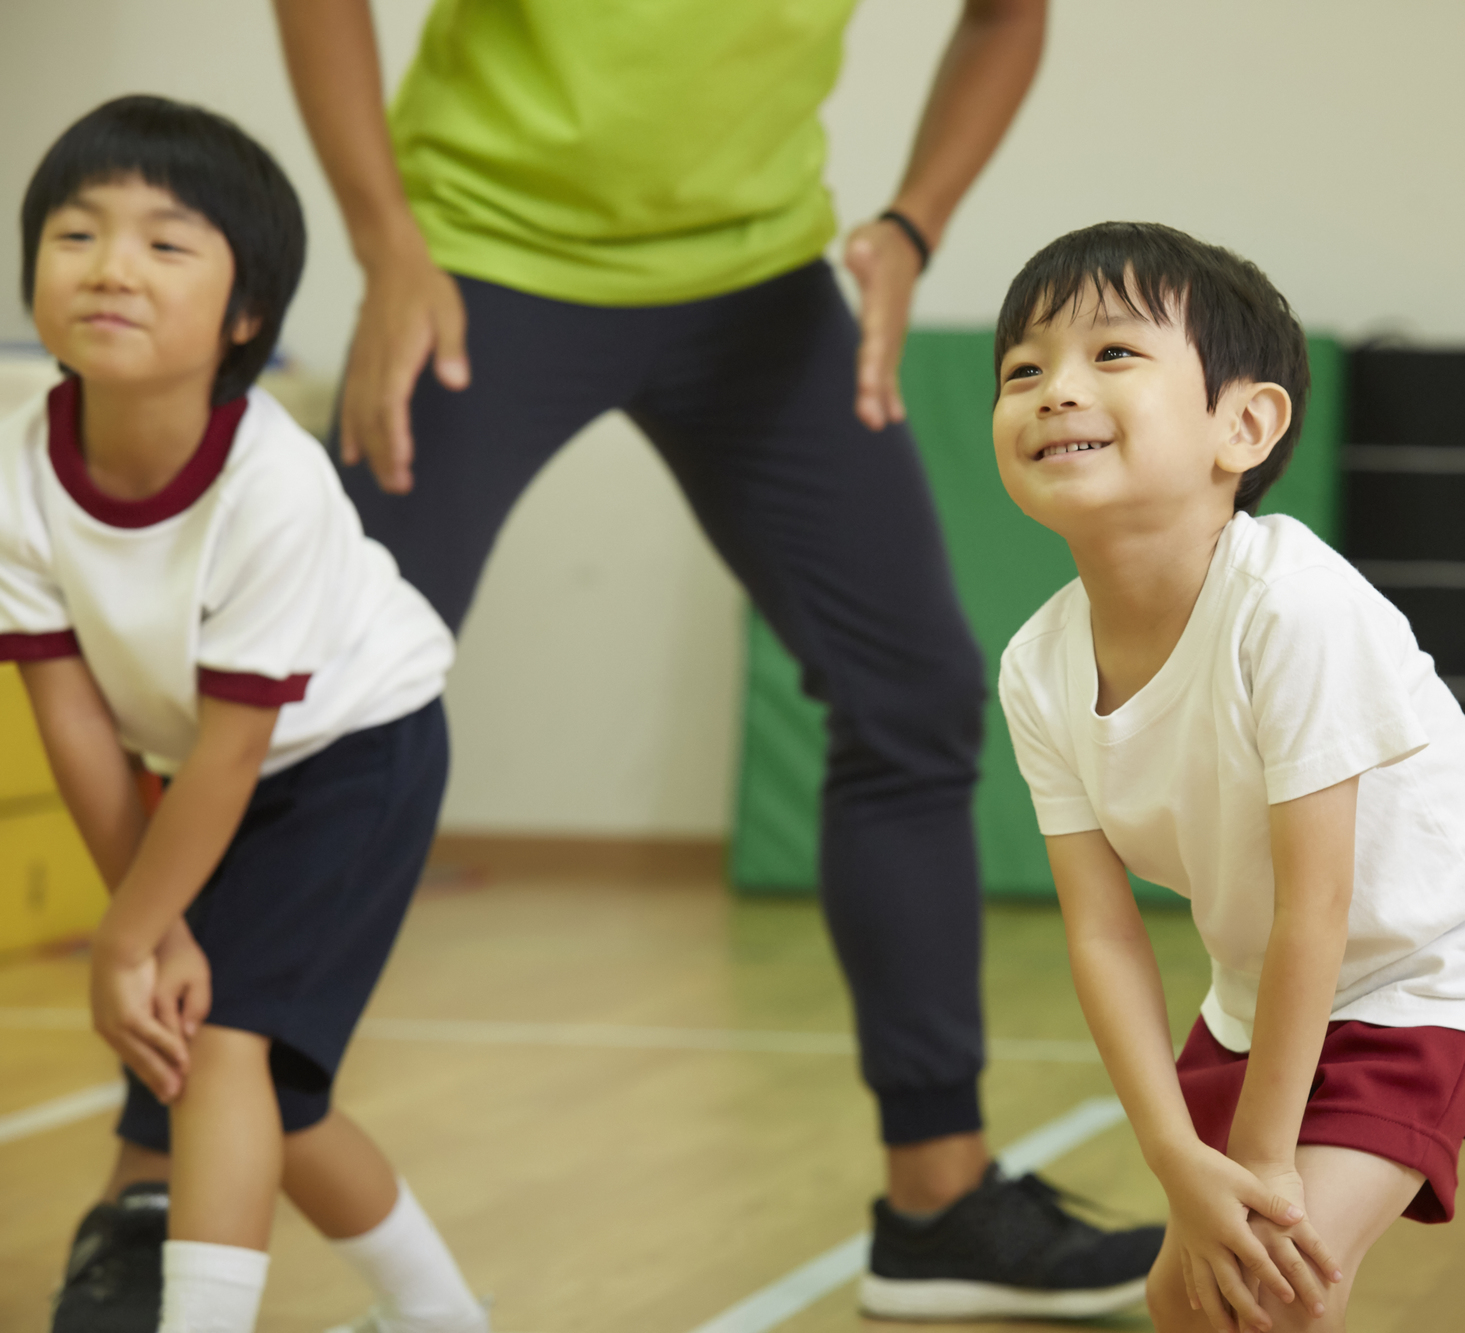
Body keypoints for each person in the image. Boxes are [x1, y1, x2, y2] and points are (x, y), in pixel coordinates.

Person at [210, 0, 1149, 1323]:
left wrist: (912, 226)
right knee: (306, 710)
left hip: (759, 289)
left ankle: (937, 1199)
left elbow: (1008, 16)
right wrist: (384, 239)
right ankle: (155, 1176)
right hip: (482, 260)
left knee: (912, 692)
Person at [990, 222, 1465, 1333]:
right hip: (1260, 997)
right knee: (1186, 1298)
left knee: (1258, 1282)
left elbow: (1321, 899)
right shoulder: (1037, 664)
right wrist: (1172, 1160)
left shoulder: (1291, 602)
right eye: (1023, 369)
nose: (1055, 390)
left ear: (1243, 424)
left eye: (1111, 354)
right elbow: (1101, 934)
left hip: (1420, 975)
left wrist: (1257, 1163)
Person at [7, 97, 484, 1333]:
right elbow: (69, 717)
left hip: (356, 752)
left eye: (168, 244)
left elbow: (231, 749)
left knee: (215, 1049)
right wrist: (143, 927)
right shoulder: (14, 461)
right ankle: (441, 1316)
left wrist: (131, 942)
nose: (113, 265)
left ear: (246, 316)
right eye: (77, 234)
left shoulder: (274, 483)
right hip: (213, 770)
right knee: (261, 1080)